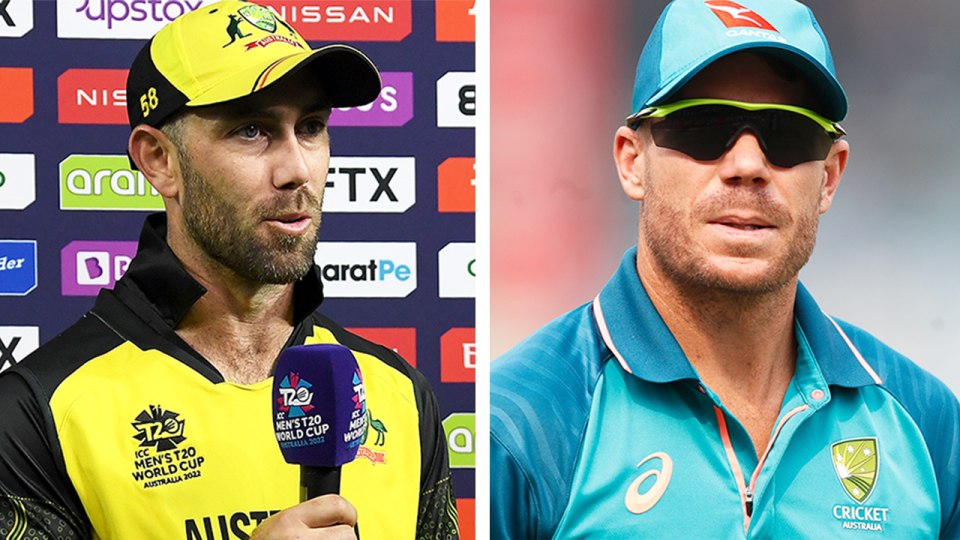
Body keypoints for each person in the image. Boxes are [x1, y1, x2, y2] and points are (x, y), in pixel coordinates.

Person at [490, 0, 960, 538]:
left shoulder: (927, 425)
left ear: (829, 176)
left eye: (787, 134)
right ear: (631, 162)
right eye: (703, 127)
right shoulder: (521, 425)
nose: (748, 166)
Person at [0, 2, 458, 539]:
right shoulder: (40, 410)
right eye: (251, 131)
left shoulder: (399, 393)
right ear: (159, 161)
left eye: (310, 127)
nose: (297, 171)